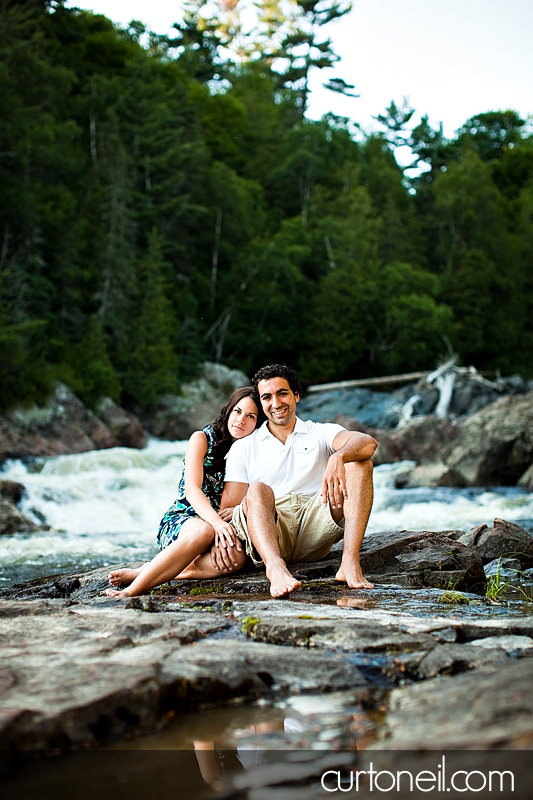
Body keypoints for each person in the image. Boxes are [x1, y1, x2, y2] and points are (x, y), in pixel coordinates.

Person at [221, 364, 378, 599]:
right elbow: (228, 509)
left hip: (315, 525)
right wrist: (252, 505)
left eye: (282, 393)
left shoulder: (320, 432)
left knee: (360, 462)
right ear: (262, 404)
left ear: (296, 395)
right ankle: (275, 568)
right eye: (267, 397)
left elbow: (368, 443)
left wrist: (339, 456)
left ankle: (349, 562)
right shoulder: (243, 447)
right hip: (272, 529)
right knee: (258, 489)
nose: (275, 403)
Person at [106, 386, 261, 598]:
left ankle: (145, 571)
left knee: (237, 558)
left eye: (251, 416)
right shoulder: (202, 439)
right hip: (186, 520)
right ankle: (133, 590)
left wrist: (238, 511)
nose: (241, 420)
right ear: (228, 411)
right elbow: (192, 490)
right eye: (237, 411)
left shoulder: (255, 451)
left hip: (223, 527)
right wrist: (216, 523)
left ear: (258, 423)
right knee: (202, 531)